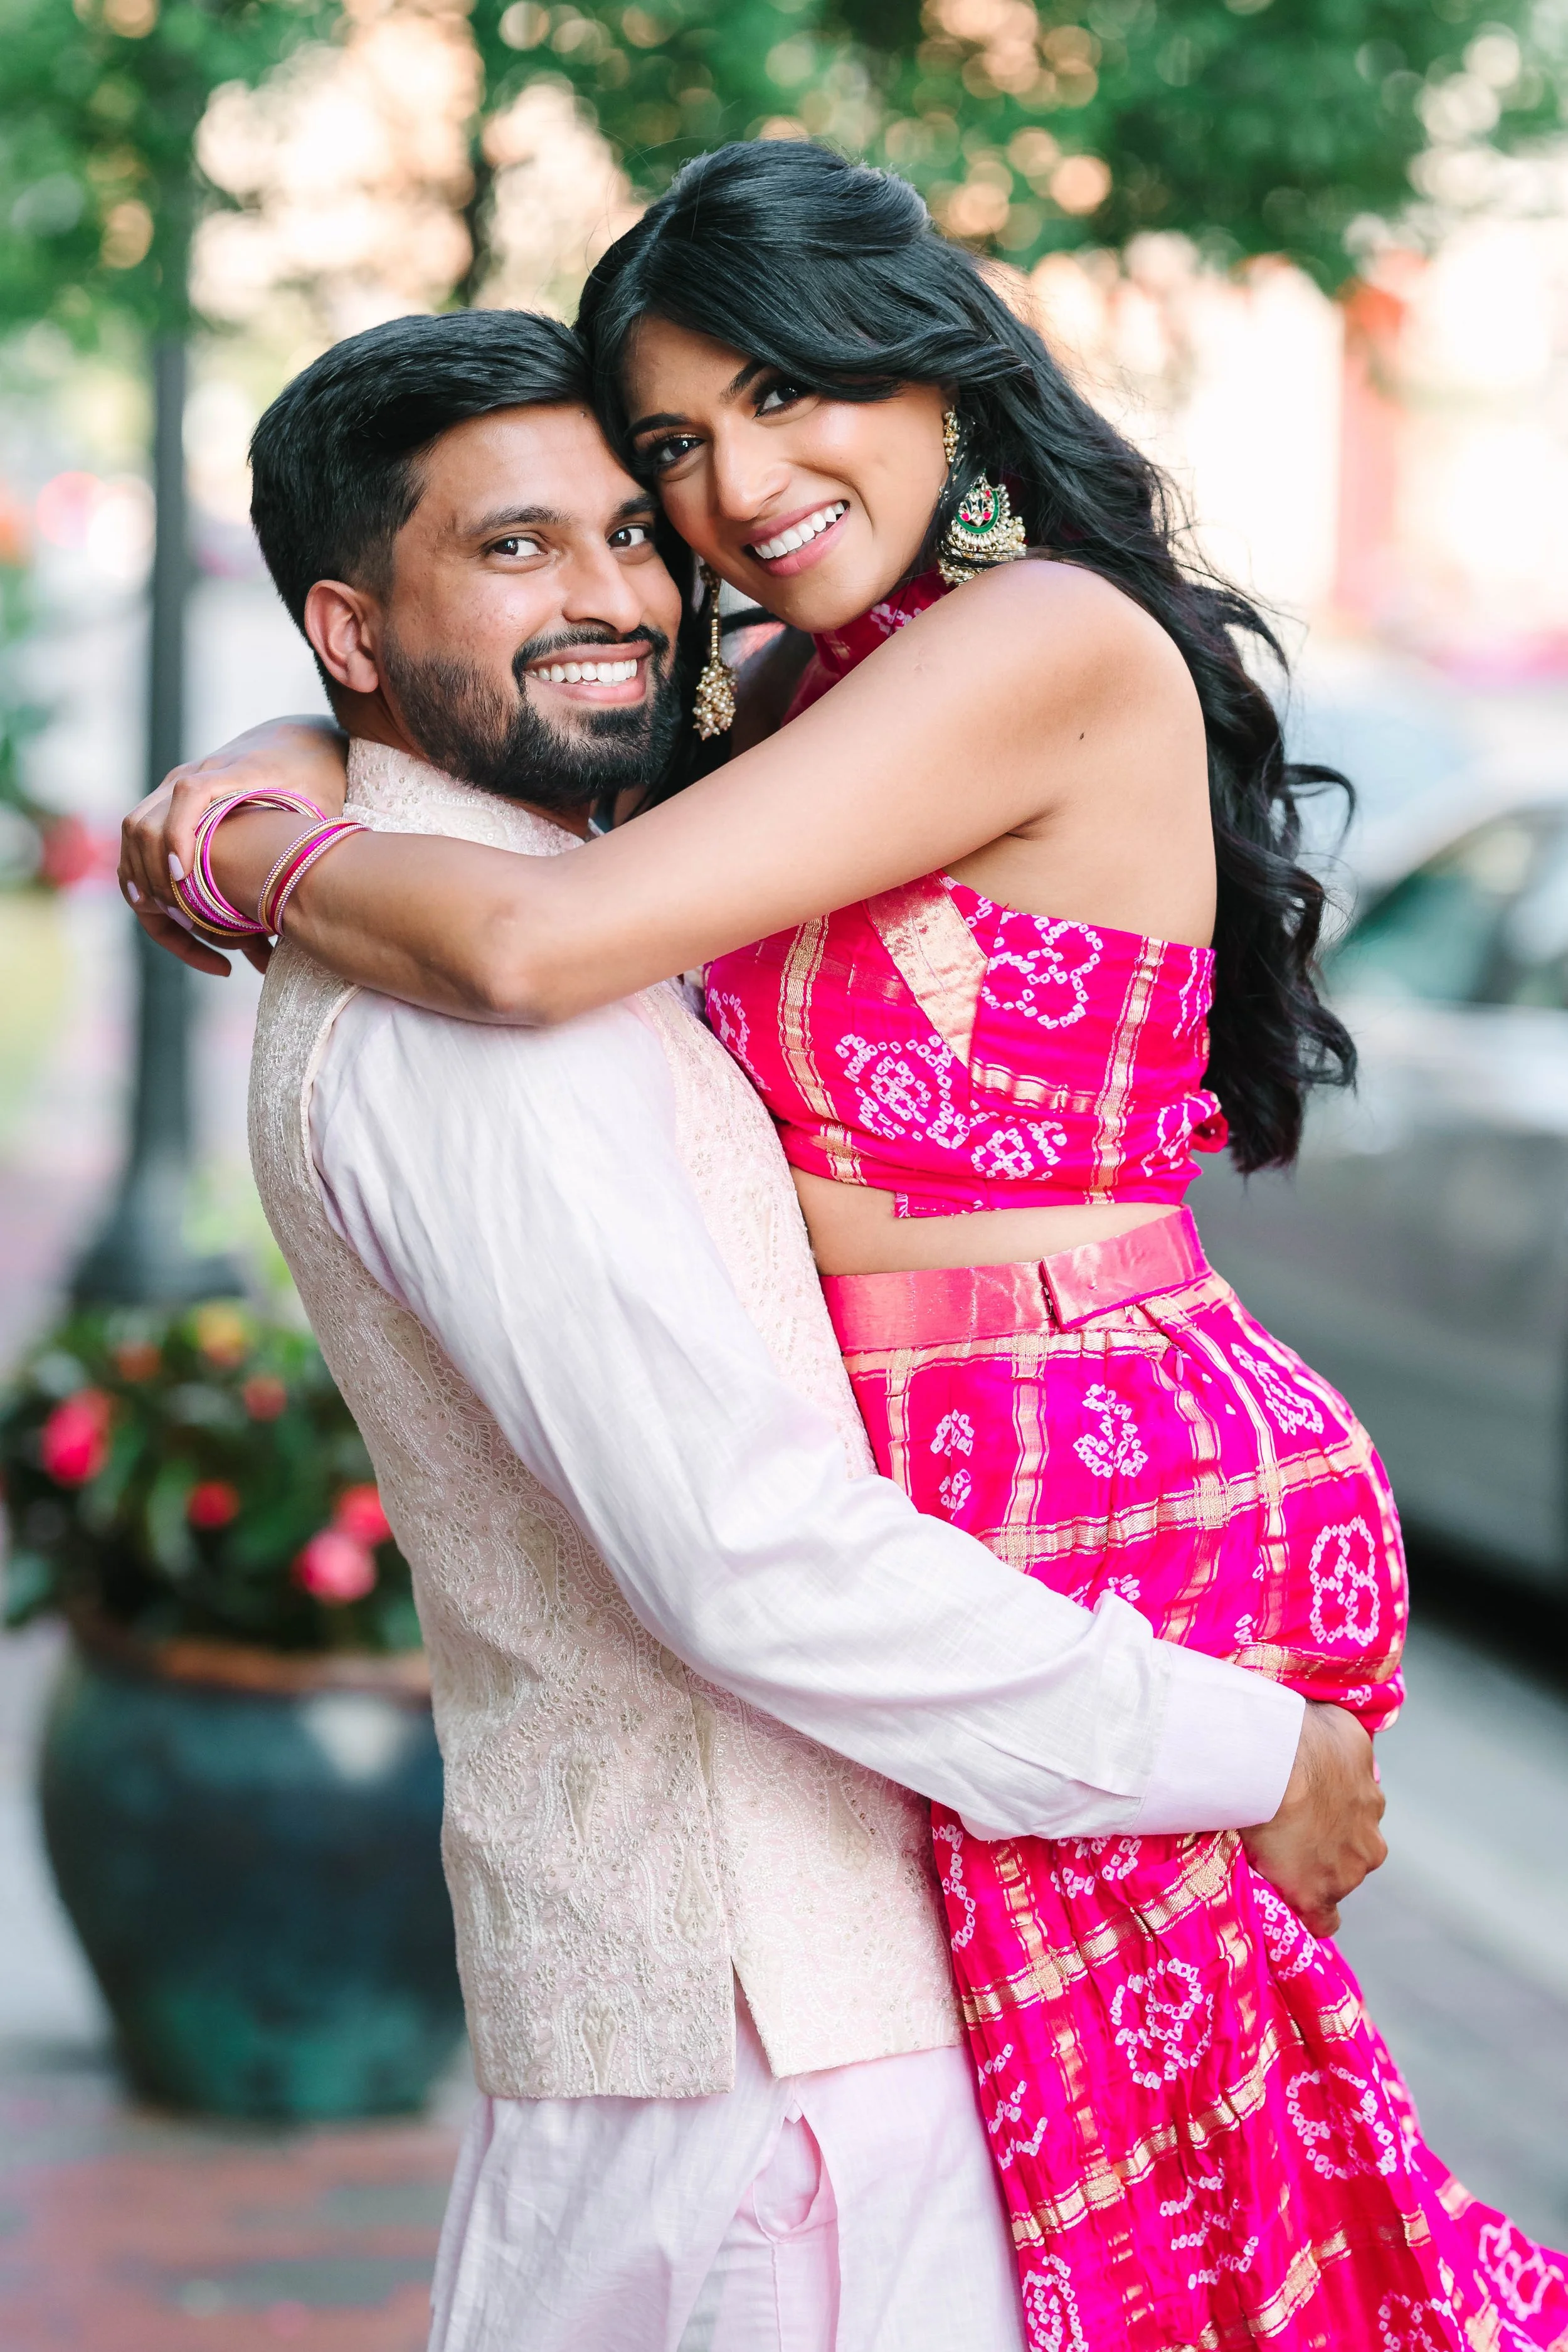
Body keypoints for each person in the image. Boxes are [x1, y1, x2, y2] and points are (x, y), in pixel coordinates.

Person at [121, 141, 1564, 2348]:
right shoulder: (803, 690)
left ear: (940, 372)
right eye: (677, 447)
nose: (732, 493)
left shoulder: (1038, 640)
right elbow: (487, 745)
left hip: (1111, 1469)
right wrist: (287, 734)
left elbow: (546, 942)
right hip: (955, 1461)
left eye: (794, 394)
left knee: (1187, 2219)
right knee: (1111, 2226)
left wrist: (239, 841)